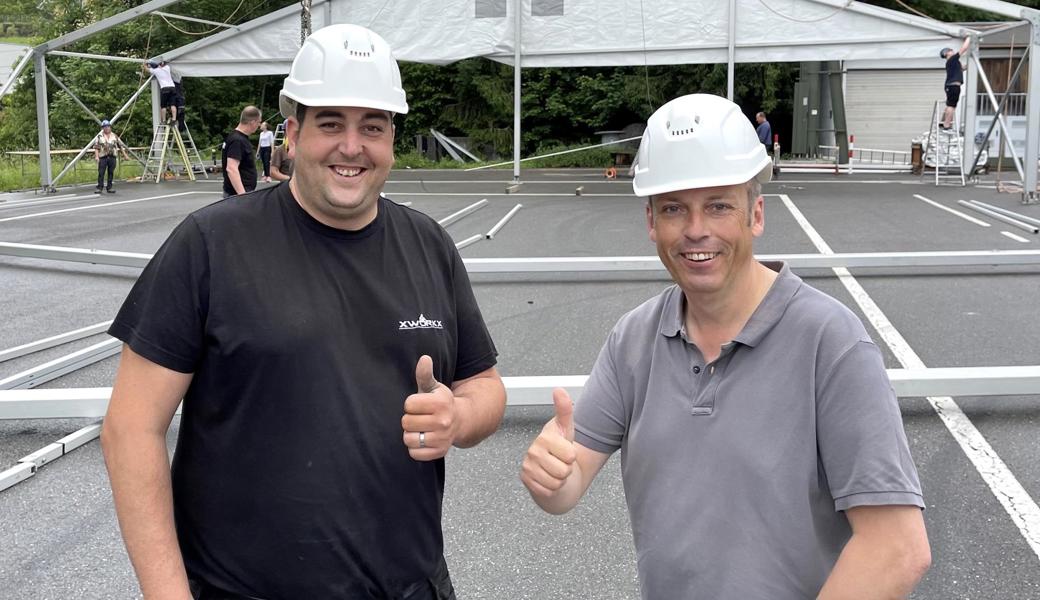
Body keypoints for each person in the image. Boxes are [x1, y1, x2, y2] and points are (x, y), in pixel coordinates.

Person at [101, 23, 505, 600]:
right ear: (292, 133)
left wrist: (459, 419)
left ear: (391, 138)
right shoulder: (212, 245)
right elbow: (129, 430)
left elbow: (484, 385)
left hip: (412, 586)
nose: (352, 145)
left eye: (372, 126)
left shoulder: (429, 246)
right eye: (330, 123)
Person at [520, 94, 931, 599]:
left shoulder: (830, 343)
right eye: (674, 208)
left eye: (718, 205)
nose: (696, 230)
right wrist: (552, 481)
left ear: (755, 215)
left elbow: (897, 548)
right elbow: (570, 480)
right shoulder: (634, 339)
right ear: (651, 223)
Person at [220, 105, 261, 197]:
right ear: (252, 122)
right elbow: (231, 168)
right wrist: (243, 195)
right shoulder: (237, 140)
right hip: (236, 195)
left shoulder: (235, 137)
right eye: (259, 122)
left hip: (237, 193)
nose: (259, 125)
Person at [940, 36, 972, 129]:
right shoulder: (952, 59)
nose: (952, 50)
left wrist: (971, 63)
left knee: (950, 105)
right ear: (947, 53)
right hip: (952, 86)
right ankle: (946, 125)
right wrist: (969, 37)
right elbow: (964, 48)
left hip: (952, 86)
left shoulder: (954, 63)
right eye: (950, 50)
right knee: (951, 106)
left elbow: (962, 68)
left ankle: (943, 122)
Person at [92, 119, 130, 194]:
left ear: (110, 127)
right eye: (105, 127)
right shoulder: (99, 136)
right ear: (102, 128)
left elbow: (120, 146)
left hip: (112, 156)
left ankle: (109, 187)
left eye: (108, 126)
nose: (107, 128)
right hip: (103, 157)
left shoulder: (114, 136)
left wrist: (125, 155)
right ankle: (100, 187)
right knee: (101, 172)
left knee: (111, 172)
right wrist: (97, 157)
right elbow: (96, 147)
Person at [143, 58, 177, 124]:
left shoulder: (155, 71)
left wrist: (145, 64)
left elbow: (146, 69)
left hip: (164, 89)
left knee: (163, 106)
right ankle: (174, 119)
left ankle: (164, 120)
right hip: (172, 88)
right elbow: (164, 63)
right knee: (173, 104)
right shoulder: (167, 68)